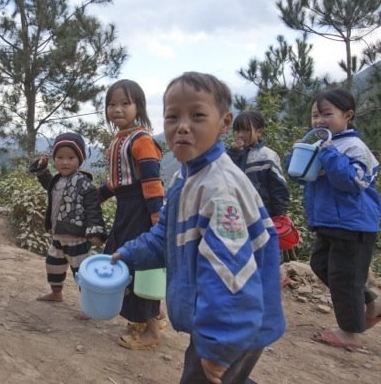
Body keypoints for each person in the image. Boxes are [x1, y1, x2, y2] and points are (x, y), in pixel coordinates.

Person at [112, 72, 285, 383]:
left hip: (234, 325)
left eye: (197, 116)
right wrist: (128, 253)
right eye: (172, 116)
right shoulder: (187, 177)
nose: (182, 126)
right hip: (223, 322)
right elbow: (164, 237)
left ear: (224, 122)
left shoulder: (218, 192)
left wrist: (219, 347)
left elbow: (230, 276)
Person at [287, 88, 381, 350]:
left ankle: (349, 333)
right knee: (320, 264)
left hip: (353, 224)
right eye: (315, 115)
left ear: (348, 115)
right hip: (329, 222)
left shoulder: (354, 147)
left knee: (344, 277)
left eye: (327, 114)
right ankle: (372, 301)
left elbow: (351, 182)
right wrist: (295, 158)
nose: (319, 121)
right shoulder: (323, 144)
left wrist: (328, 153)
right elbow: (303, 176)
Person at [98, 79, 166, 350]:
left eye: (125, 103)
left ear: (138, 107)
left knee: (136, 263)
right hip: (126, 208)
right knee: (120, 256)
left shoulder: (142, 141)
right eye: (112, 104)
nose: (117, 109)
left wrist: (156, 219)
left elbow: (151, 183)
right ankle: (153, 315)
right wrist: (99, 194)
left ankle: (148, 330)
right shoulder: (120, 140)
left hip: (140, 209)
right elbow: (119, 181)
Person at [28, 132, 107, 305]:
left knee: (82, 272)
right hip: (58, 236)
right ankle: (56, 294)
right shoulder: (56, 180)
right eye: (60, 157)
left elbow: (93, 208)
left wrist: (95, 231)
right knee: (53, 265)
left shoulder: (84, 183)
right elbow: (45, 181)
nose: (65, 162)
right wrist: (42, 167)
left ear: (80, 160)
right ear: (54, 158)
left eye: (71, 157)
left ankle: (90, 304)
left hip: (77, 238)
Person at [227, 110, 298, 262]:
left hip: (265, 216)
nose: (241, 135)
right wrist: (233, 153)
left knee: (267, 256)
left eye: (246, 130)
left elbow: (278, 186)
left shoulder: (267, 155)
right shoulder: (232, 156)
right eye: (237, 130)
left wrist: (280, 213)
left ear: (259, 132)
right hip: (238, 218)